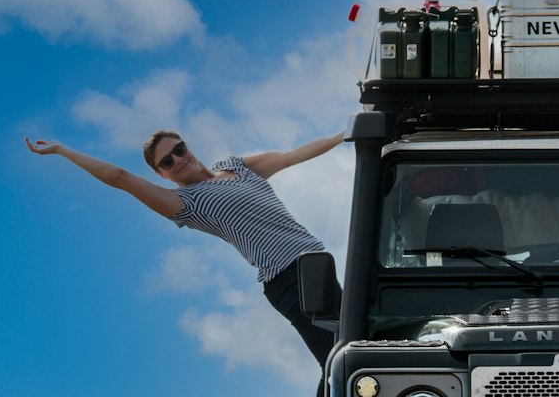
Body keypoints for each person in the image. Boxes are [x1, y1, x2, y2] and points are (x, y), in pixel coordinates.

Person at [24, 129, 344, 375]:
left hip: (316, 264)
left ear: (186, 145)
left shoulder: (236, 166)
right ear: (161, 174)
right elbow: (119, 178)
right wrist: (62, 151)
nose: (177, 160)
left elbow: (292, 156)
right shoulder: (186, 204)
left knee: (359, 344)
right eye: (167, 162)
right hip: (288, 280)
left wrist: (350, 131)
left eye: (178, 150)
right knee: (338, 361)